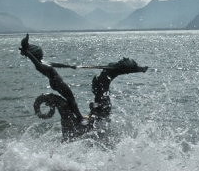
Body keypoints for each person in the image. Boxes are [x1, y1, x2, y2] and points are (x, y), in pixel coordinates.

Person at [19, 34, 147, 138]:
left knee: (72, 100)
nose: (41, 55)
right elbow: (37, 62)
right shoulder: (40, 64)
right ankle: (80, 118)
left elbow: (55, 64)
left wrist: (70, 66)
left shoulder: (44, 63)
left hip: (57, 83)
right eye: (39, 53)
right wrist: (27, 53)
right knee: (72, 100)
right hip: (58, 83)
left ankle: (80, 118)